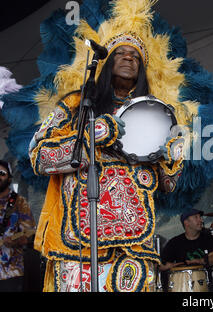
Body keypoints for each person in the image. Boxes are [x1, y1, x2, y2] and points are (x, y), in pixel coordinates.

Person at [28, 2, 187, 292]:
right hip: (79, 244)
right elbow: (39, 156)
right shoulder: (77, 104)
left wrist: (173, 156)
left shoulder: (157, 115)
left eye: (135, 57)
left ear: (142, 69)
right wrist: (96, 132)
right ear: (107, 61)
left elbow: (168, 185)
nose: (128, 59)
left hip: (135, 247)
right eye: (121, 54)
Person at [0, 160, 36, 292]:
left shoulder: (19, 202)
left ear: (9, 178)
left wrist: (14, 241)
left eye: (2, 173)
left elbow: (29, 234)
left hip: (11, 272)